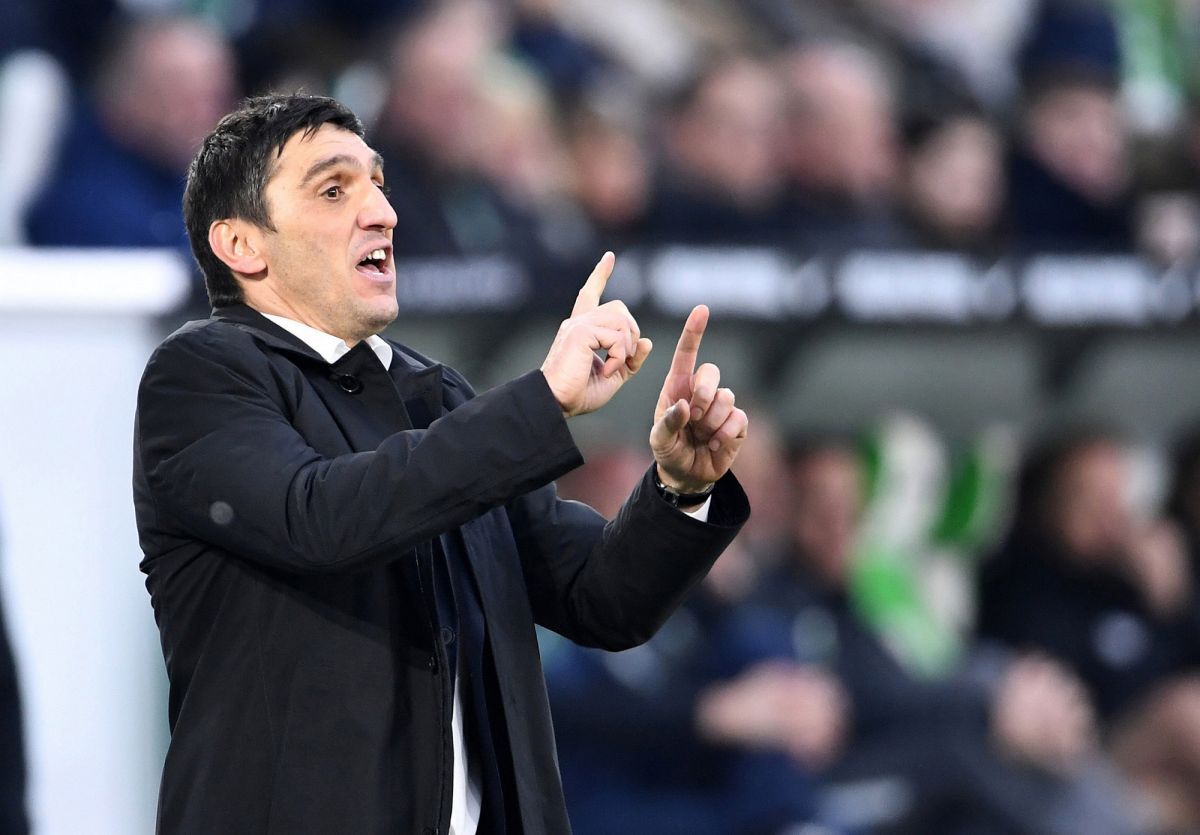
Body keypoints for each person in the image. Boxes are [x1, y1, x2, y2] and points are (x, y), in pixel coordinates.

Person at [132, 92, 750, 834]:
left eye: (378, 183)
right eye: (334, 190)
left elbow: (598, 597)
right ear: (241, 245)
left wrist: (680, 488)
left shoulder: (434, 395)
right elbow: (321, 517)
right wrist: (541, 399)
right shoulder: (200, 374)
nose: (383, 213)